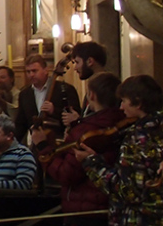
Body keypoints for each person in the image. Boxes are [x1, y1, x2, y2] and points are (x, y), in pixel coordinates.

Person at [33, 73, 124, 225]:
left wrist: (42, 146)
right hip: (113, 206)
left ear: (91, 95)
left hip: (84, 209)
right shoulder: (123, 122)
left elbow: (66, 174)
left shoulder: (87, 130)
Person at [76, 75, 163, 225]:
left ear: (138, 103)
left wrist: (91, 162)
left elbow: (126, 190)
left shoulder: (140, 140)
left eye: (124, 101)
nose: (121, 107)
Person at [14, 54, 81, 145]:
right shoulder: (25, 94)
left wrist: (54, 111)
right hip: (35, 144)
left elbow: (76, 117)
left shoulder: (65, 89)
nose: (31, 75)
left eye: (34, 71)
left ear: (46, 70)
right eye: (28, 72)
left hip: (60, 142)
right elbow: (21, 124)